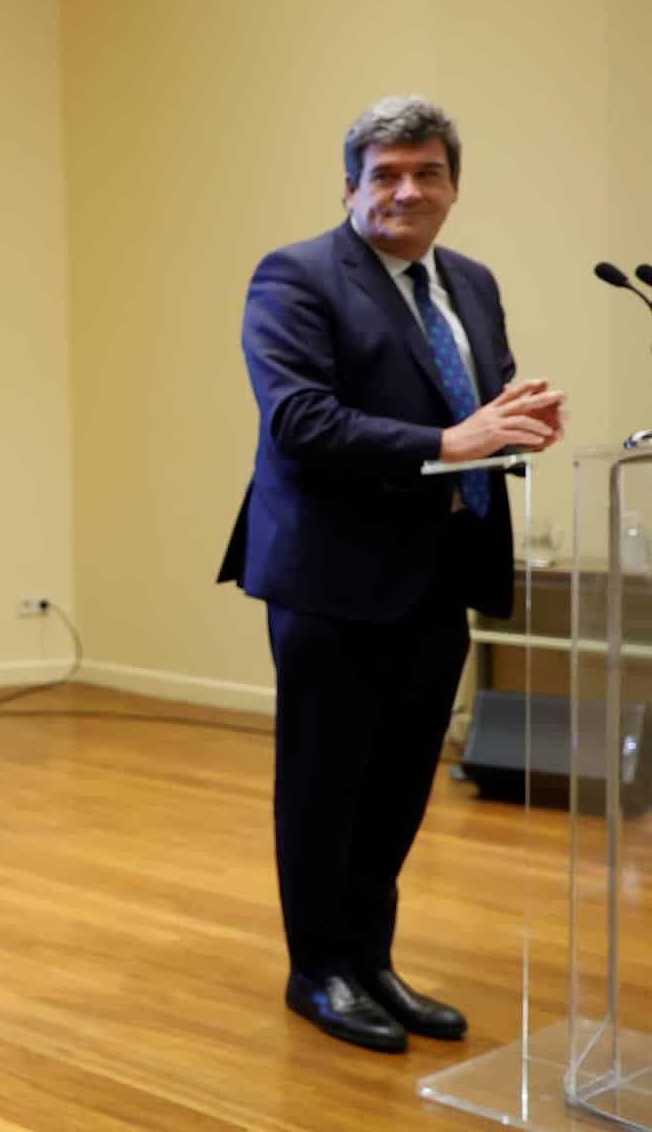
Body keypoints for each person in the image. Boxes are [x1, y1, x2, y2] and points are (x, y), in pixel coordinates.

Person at [218, 96, 564, 1053]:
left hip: (437, 571)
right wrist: (455, 440)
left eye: (428, 172)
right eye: (387, 174)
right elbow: (301, 421)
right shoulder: (296, 276)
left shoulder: (472, 282)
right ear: (352, 186)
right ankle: (316, 973)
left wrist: (515, 418)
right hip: (331, 575)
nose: (408, 190)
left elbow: (471, 399)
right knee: (326, 785)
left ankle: (371, 962)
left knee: (402, 786)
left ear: (454, 186)